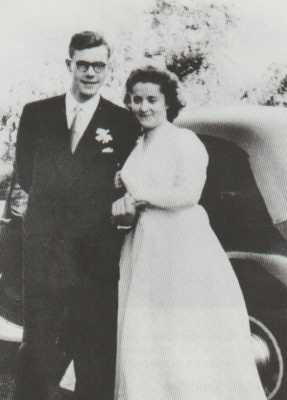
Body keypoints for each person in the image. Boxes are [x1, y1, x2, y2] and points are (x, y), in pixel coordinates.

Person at [112, 66, 267, 399]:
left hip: (180, 244)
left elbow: (188, 194)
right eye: (136, 100)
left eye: (152, 99)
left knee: (183, 330)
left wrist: (139, 195)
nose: (144, 107)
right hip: (143, 244)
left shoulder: (185, 140)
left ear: (168, 102)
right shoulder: (137, 146)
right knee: (148, 330)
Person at [14, 31, 138, 400]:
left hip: (94, 255)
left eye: (98, 65)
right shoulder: (36, 113)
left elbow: (123, 185)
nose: (90, 73)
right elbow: (24, 174)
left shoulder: (122, 121)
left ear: (107, 69)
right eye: (83, 64)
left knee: (94, 348)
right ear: (70, 64)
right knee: (37, 344)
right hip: (44, 249)